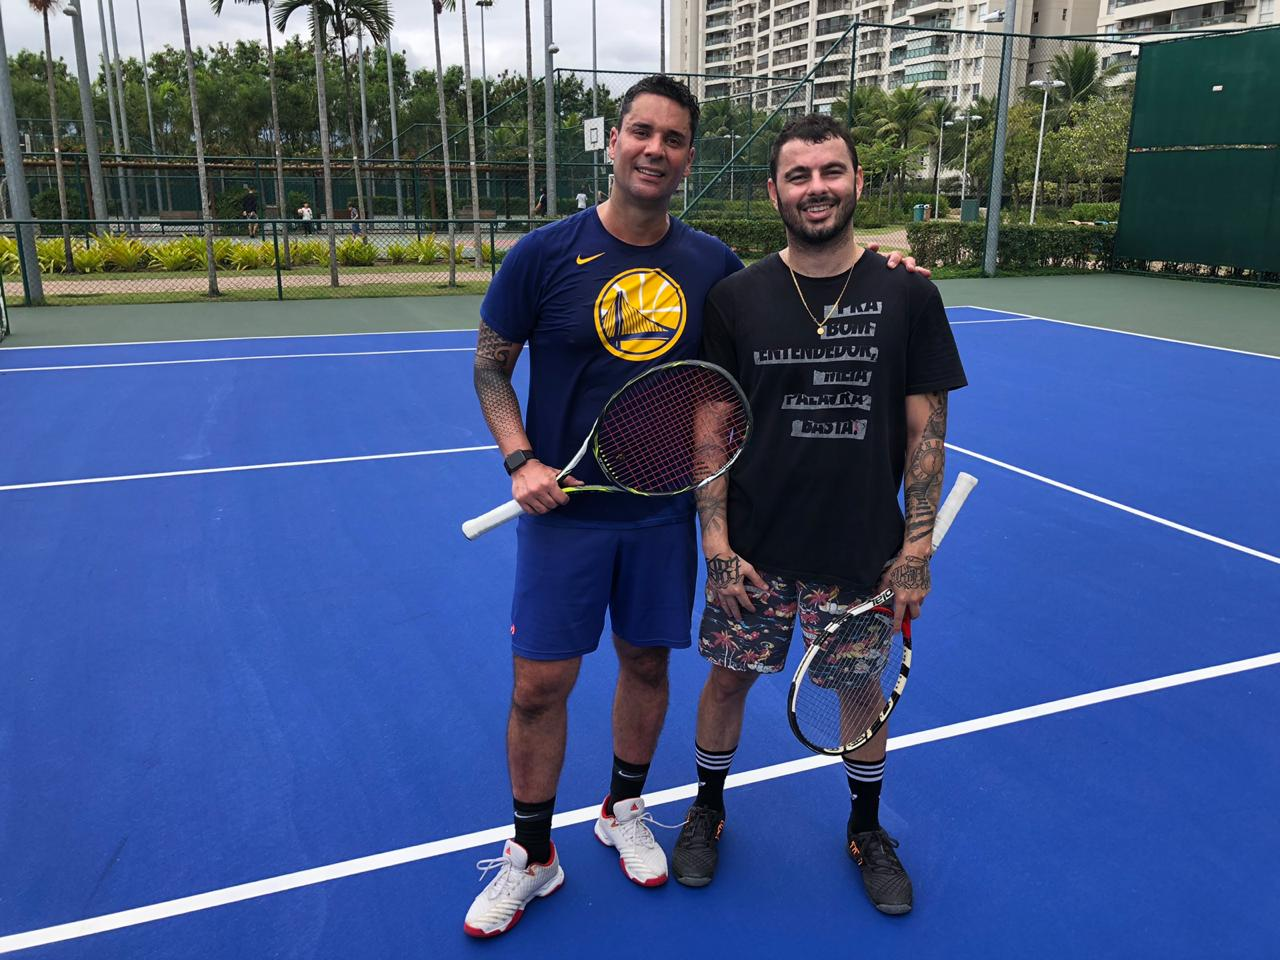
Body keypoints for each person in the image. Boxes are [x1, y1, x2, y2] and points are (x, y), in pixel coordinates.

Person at [465, 84, 927, 938]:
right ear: (612, 142)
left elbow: (802, 287)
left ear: (688, 158)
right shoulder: (542, 253)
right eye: (641, 131)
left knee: (648, 668)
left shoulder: (713, 266)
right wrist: (520, 456)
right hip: (564, 516)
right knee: (539, 687)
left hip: (659, 516)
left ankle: (624, 810)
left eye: (674, 138)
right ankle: (531, 854)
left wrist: (890, 269)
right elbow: (492, 365)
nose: (655, 148)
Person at [670, 114, 966, 919]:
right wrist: (716, 542)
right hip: (755, 549)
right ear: (774, 192)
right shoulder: (736, 297)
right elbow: (711, 426)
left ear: (858, 182)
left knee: (859, 692)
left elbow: (926, 428)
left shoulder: (909, 292)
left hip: (861, 550)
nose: (816, 188)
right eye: (797, 176)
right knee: (727, 680)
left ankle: (867, 830)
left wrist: (917, 548)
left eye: (831, 171)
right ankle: (706, 808)